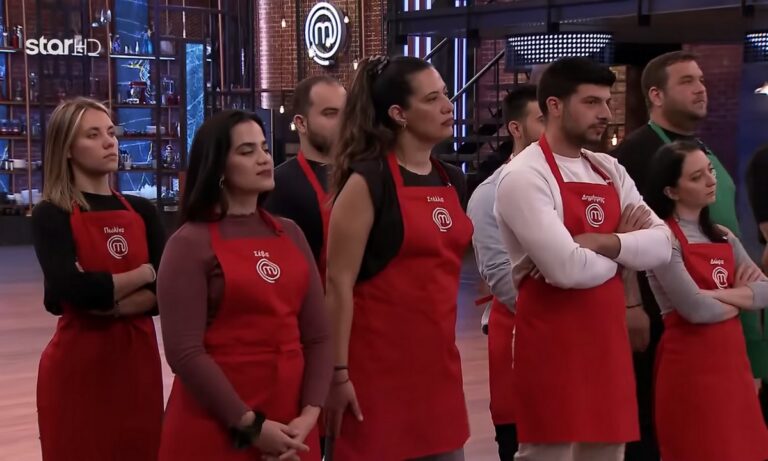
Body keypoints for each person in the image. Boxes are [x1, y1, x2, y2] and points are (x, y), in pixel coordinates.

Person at [495, 57, 672, 461]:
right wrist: (625, 249)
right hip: (550, 342)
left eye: (606, 101)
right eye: (592, 102)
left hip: (607, 340)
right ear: (555, 106)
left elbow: (664, 245)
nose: (605, 113)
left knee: (607, 450)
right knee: (548, 453)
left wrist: (601, 242)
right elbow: (565, 269)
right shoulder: (524, 175)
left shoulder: (608, 168)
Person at [612, 51, 768, 459]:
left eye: (702, 79)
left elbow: (758, 287)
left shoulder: (700, 150)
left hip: (724, 322)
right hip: (666, 318)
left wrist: (724, 297)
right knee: (670, 434)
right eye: (687, 81)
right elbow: (623, 235)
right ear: (656, 95)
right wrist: (631, 303)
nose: (701, 89)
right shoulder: (635, 153)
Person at [156, 110, 333, 461]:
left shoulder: (291, 233)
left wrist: (309, 416)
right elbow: (185, 353)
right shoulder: (188, 244)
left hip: (292, 426)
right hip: (217, 422)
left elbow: (319, 336)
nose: (264, 158)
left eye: (264, 148)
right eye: (247, 151)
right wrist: (251, 426)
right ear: (218, 168)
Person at [324, 55, 471, 461]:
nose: (448, 106)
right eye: (432, 99)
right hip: (376, 375)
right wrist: (337, 373)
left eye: (445, 94)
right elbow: (337, 284)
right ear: (398, 114)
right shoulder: (368, 181)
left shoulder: (452, 179)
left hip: (438, 371)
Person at [31, 97, 165, 460]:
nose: (109, 142)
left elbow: (165, 291)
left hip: (138, 370)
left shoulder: (143, 211)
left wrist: (110, 300)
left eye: (111, 132)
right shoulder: (51, 214)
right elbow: (70, 290)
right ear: (67, 149)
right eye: (93, 135)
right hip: (76, 371)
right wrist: (145, 272)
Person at [643, 140, 768, 461]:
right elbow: (695, 310)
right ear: (671, 190)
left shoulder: (723, 236)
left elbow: (765, 292)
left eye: (710, 171)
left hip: (733, 366)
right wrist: (741, 297)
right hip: (690, 370)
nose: (711, 181)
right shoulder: (663, 240)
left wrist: (715, 295)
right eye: (697, 177)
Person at [467, 83, 544, 461]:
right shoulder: (489, 193)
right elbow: (502, 277)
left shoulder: (583, 182)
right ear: (516, 128)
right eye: (542, 119)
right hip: (522, 337)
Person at [263, 76, 347, 281]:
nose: (344, 123)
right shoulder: (278, 185)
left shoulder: (364, 177)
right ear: (301, 123)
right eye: (330, 114)